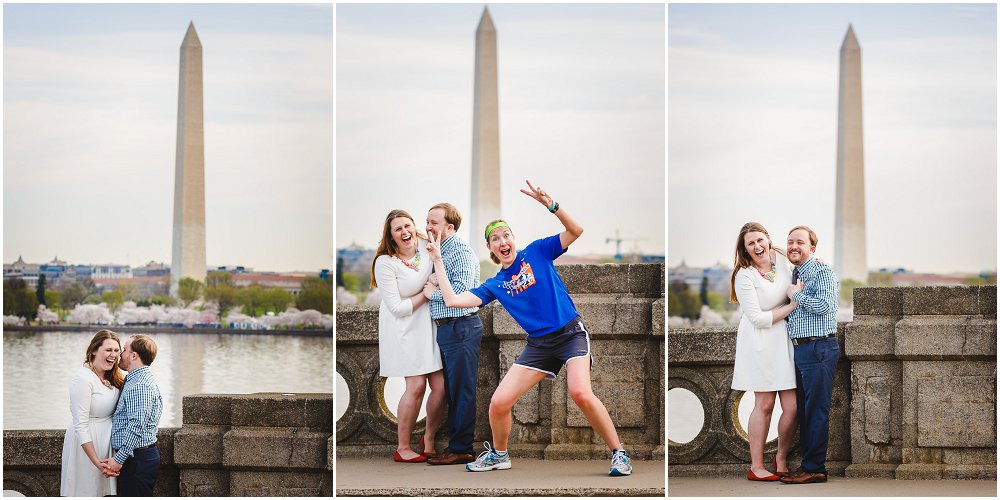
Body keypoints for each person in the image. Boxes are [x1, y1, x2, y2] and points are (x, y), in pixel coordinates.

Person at [425, 180, 632, 477]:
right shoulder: (495, 283)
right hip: (539, 345)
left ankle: (619, 453)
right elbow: (454, 300)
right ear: (490, 248)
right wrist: (437, 261)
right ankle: (499, 455)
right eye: (495, 239)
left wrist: (552, 206)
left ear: (513, 239)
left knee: (580, 393)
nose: (502, 241)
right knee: (498, 402)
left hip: (571, 334)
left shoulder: (536, 252)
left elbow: (576, 231)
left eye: (506, 235)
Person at [371, 209, 446, 462]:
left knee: (442, 387)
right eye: (398, 229)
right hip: (403, 329)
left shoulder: (426, 245)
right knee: (415, 387)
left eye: (408, 226)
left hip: (428, 325)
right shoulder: (385, 263)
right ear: (391, 237)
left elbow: (444, 236)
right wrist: (426, 294)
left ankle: (429, 438)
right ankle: (402, 447)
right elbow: (397, 308)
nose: (405, 232)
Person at [728, 222, 798, 482]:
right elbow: (756, 318)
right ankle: (756, 466)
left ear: (768, 239)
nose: (757, 247)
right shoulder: (744, 275)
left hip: (784, 339)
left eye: (760, 240)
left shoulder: (780, 257)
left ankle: (780, 458)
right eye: (750, 244)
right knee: (765, 404)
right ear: (744, 250)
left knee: (791, 407)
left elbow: (802, 258)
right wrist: (792, 305)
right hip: (760, 341)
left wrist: (818, 262)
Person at [422, 203, 484, 466]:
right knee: (453, 390)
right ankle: (457, 445)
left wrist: (430, 293)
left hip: (461, 326)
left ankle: (462, 448)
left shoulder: (458, 252)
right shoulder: (441, 249)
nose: (428, 227)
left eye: (434, 223)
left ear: (450, 227)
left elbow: (462, 295)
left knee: (461, 391)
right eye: (427, 221)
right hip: (450, 329)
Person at [779, 225, 839, 485]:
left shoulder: (821, 271)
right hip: (801, 349)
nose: (794, 246)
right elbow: (776, 250)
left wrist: (795, 295)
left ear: (812, 249)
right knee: (805, 411)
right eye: (790, 242)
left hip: (819, 347)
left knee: (816, 411)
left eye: (800, 243)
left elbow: (825, 306)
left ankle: (815, 468)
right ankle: (808, 465)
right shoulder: (795, 272)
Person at [60, 329, 125, 496]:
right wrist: (96, 460)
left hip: (106, 445)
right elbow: (80, 425)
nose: (113, 355)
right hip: (87, 448)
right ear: (94, 350)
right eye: (108, 350)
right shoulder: (82, 379)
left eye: (117, 351)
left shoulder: (112, 376)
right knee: (86, 491)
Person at [99, 334, 164, 496]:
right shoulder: (134, 380)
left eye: (124, 350)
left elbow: (137, 425)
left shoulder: (140, 385)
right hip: (136, 457)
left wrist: (118, 459)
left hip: (137, 460)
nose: (120, 354)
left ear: (134, 355)